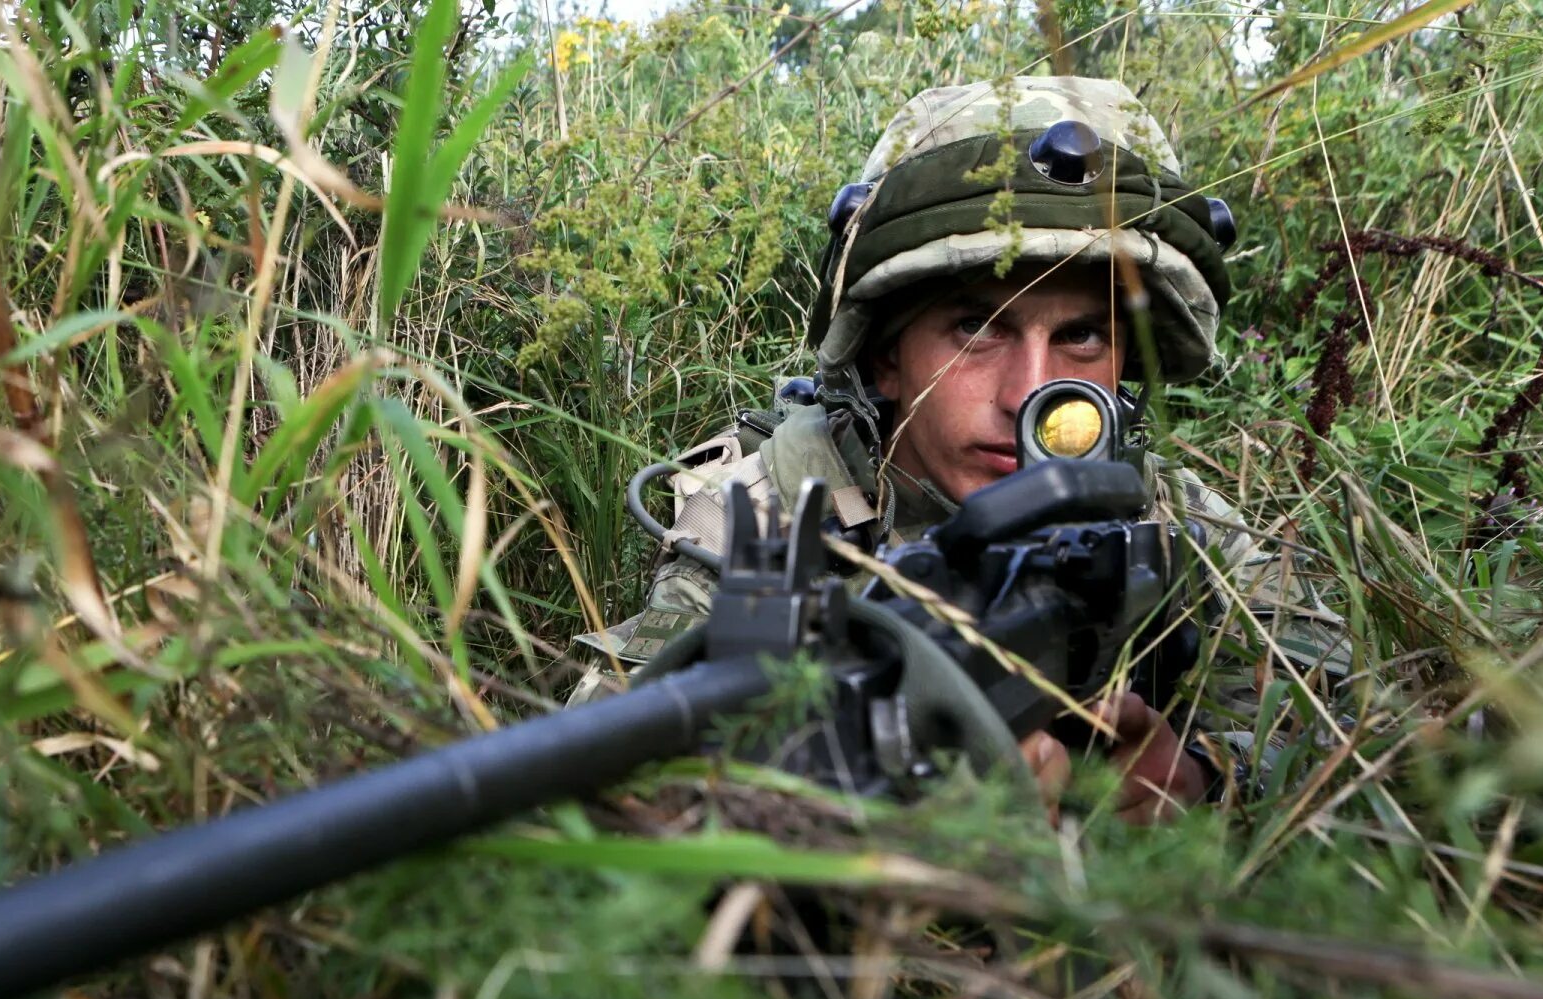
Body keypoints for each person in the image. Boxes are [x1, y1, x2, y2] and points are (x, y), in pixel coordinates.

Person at [571, 76, 1349, 819]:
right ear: (884, 357)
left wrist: (1211, 775)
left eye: (1081, 335)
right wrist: (833, 798)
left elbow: (1353, 718)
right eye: (977, 328)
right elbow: (608, 767)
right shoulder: (764, 517)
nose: (1030, 396)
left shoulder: (1175, 514)